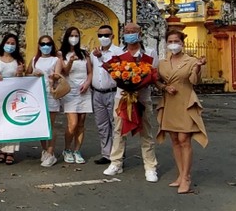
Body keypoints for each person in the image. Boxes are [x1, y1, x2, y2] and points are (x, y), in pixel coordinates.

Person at [103, 22, 160, 183]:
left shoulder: (149, 53)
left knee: (146, 132)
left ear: (140, 33)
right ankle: (116, 163)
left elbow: (153, 74)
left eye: (133, 31)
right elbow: (112, 73)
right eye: (127, 31)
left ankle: (150, 166)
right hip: (121, 98)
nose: (130, 34)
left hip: (142, 98)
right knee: (118, 131)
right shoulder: (117, 54)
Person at [155, 29, 208, 194]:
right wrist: (164, 87)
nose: (173, 44)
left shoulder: (191, 61)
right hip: (169, 102)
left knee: (184, 139)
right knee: (175, 140)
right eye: (170, 41)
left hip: (185, 101)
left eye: (176, 41)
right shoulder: (162, 62)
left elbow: (195, 81)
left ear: (182, 43)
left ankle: (186, 177)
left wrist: (198, 68)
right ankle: (180, 174)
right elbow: (155, 80)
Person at [0, 33, 26, 165]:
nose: (10, 45)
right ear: (3, 43)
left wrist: (20, 73)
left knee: (12, 123)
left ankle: (11, 152)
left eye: (13, 43)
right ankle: (2, 150)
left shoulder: (18, 61)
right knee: (0, 123)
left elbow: (22, 78)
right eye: (8, 43)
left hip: (13, 96)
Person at [27, 35, 63, 167]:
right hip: (37, 95)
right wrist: (33, 74)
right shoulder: (34, 59)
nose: (45, 46)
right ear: (39, 46)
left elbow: (57, 77)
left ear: (52, 46)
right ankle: (44, 149)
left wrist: (48, 76)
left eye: (48, 44)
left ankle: (51, 151)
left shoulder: (56, 60)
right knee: (41, 125)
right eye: (42, 44)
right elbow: (27, 75)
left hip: (50, 94)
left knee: (51, 125)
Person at [90, 25, 123, 165]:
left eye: (106, 35)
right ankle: (106, 153)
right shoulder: (93, 53)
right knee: (102, 125)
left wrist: (101, 58)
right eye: (100, 35)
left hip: (113, 92)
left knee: (116, 125)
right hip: (97, 93)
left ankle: (117, 154)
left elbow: (118, 72)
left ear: (112, 36)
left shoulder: (119, 52)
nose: (103, 38)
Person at [59, 27, 93, 165]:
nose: (74, 38)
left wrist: (87, 83)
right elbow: (65, 71)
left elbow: (90, 72)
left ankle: (77, 150)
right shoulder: (62, 54)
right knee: (72, 124)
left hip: (84, 90)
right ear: (67, 37)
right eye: (72, 35)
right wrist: (71, 61)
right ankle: (67, 149)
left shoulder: (84, 53)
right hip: (70, 91)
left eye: (76, 35)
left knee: (81, 124)